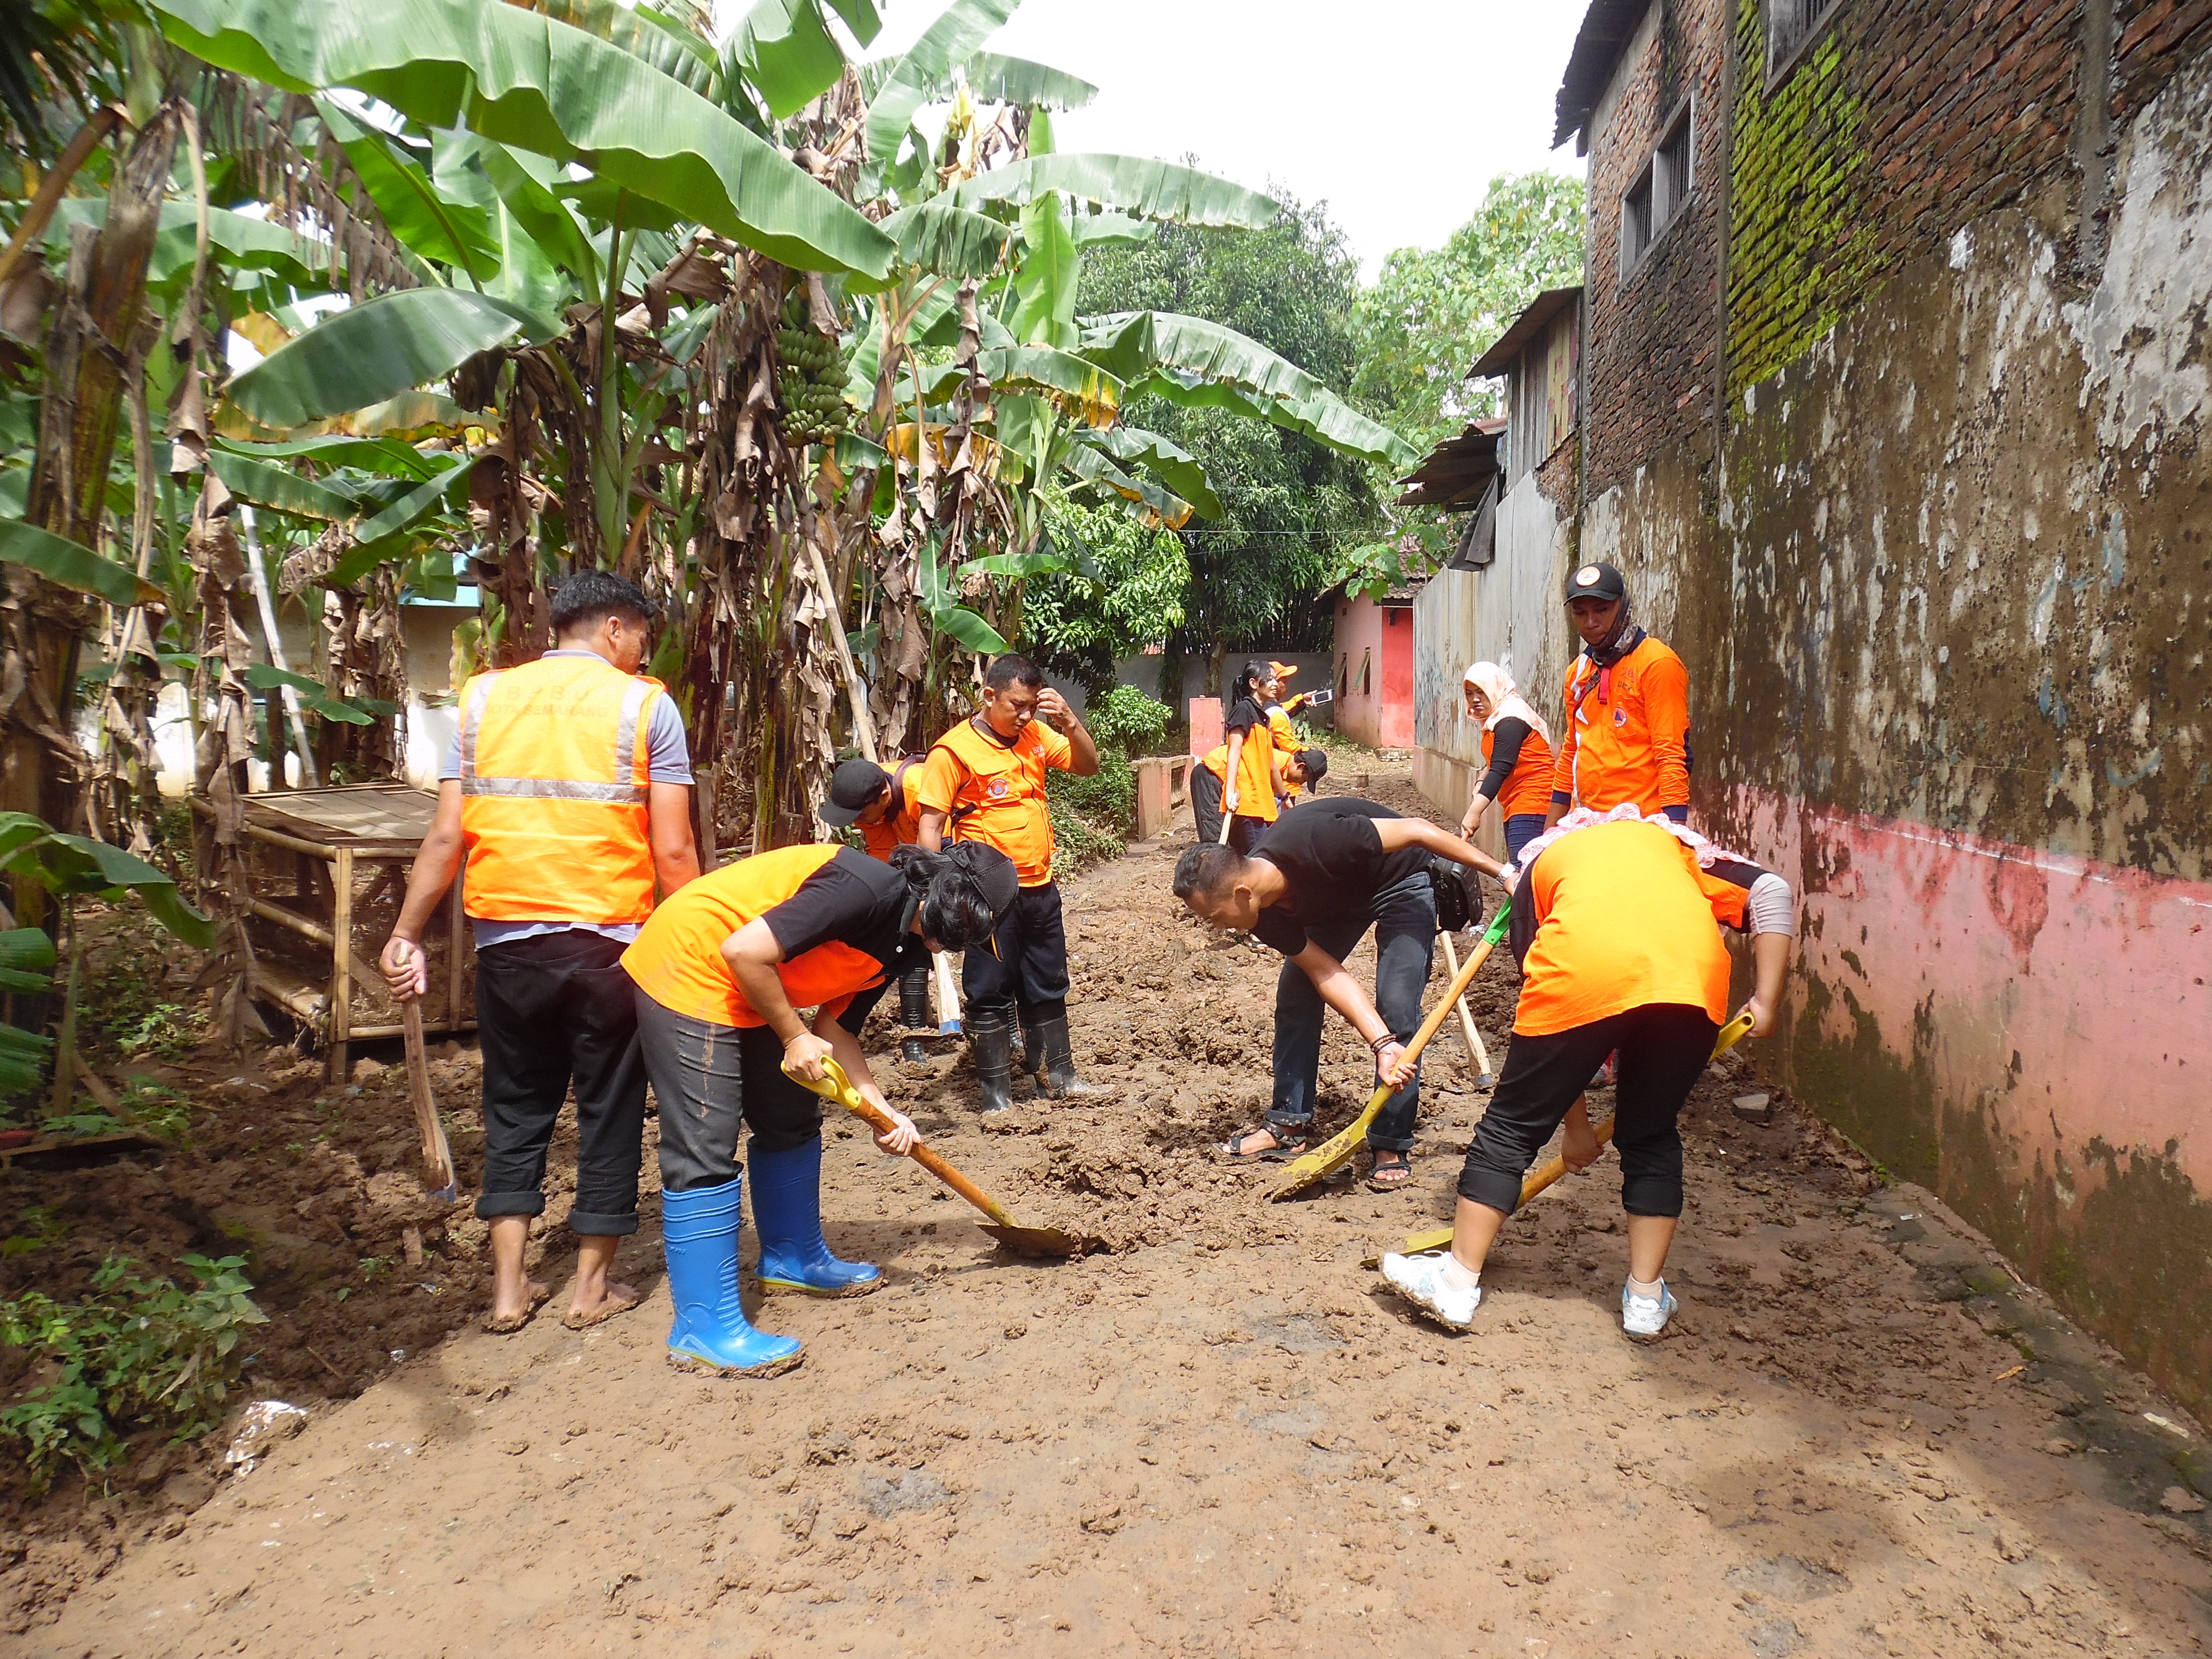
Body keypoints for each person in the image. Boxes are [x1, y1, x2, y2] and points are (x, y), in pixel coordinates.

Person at [379, 571, 699, 1335]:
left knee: (515, 1111)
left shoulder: (483, 699)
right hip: (608, 947)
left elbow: (448, 836)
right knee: (610, 1109)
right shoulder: (646, 705)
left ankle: (509, 1291)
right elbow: (676, 848)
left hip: (508, 949)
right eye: (640, 638)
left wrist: (405, 933)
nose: (641, 653)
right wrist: (698, 939)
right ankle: (590, 1289)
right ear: (616, 630)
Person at [1379, 808, 1794, 1336]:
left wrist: (1574, 1130)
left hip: (1585, 970)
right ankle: (1645, 1300)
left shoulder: (1542, 864)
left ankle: (1457, 1282)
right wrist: (1767, 998)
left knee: (1512, 1126)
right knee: (1651, 1134)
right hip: (1691, 982)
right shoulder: (1678, 850)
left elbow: (1552, 1002)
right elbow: (1773, 891)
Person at [621, 840, 1018, 1376]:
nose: (955, 944)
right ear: (950, 898)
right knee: (705, 1143)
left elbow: (836, 1031)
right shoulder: (863, 889)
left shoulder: (904, 944)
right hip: (692, 964)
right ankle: (702, 1326)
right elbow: (742, 951)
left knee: (790, 1116)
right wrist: (791, 1037)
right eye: (965, 928)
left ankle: (792, 1258)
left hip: (754, 986)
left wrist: (885, 1112)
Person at [1172, 799, 1511, 1190]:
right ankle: (1288, 1124)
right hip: (1334, 903)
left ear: (1243, 892)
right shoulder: (1262, 913)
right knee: (1296, 993)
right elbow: (1325, 971)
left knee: (1397, 1004)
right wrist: (1380, 1043)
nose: (1217, 929)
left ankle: (1389, 1140)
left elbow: (1419, 828)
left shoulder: (1318, 841)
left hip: (1398, 881)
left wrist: (1505, 872)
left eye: (1215, 917)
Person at [915, 654, 1107, 1109]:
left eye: (1032, 707)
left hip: (1040, 886)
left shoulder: (1036, 735)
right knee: (990, 989)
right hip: (989, 896)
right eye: (1016, 706)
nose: (1024, 716)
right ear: (989, 696)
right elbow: (930, 826)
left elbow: (1088, 767)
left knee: (1048, 981)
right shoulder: (954, 751)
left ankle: (1059, 1078)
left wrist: (1070, 722)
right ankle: (996, 1097)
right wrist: (934, 900)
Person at [1547, 563, 1692, 828]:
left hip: (1643, 825)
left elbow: (1670, 753)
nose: (1591, 623)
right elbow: (1572, 749)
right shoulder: (1577, 672)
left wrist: (1676, 833)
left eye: (1602, 610)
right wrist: (1548, 833)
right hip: (1585, 822)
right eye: (1581, 613)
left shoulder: (1657, 663)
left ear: (1623, 606)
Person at [819, 756, 935, 1065]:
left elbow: (951, 840)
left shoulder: (921, 787)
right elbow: (885, 856)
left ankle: (1010, 1031)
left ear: (884, 797)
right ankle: (914, 1035)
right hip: (916, 857)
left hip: (956, 854)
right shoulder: (872, 803)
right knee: (907, 937)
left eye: (860, 815)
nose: (857, 822)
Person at [1458, 662, 1556, 869]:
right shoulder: (1497, 718)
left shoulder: (1511, 718)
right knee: (1520, 866)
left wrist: (1474, 813)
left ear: (1495, 688)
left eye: (1481, 692)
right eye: (1469, 693)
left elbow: (1500, 769)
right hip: (1516, 801)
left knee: (1524, 870)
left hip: (1534, 801)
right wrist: (1480, 781)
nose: (1475, 699)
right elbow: (1496, 761)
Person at [1186, 660, 1279, 855]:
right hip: (1246, 800)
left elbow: (1269, 762)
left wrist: (1284, 796)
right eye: (1270, 679)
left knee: (1245, 858)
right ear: (1254, 683)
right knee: (1255, 857)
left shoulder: (1262, 717)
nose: (1276, 684)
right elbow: (1234, 750)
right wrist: (1229, 793)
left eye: (1276, 679)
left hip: (1257, 801)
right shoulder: (1244, 710)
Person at [1262, 662, 1307, 811]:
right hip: (1280, 777)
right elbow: (1290, 748)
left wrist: (1301, 700)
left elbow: (1283, 709)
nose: (1287, 684)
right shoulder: (1277, 716)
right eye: (1284, 680)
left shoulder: (1262, 706)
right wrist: (1309, 753)